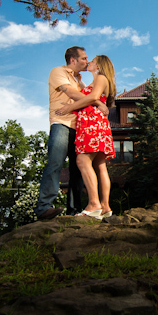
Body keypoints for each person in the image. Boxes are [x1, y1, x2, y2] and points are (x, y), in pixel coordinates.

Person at [35, 46, 107, 220]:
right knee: (55, 163)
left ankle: (74, 210)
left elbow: (87, 92)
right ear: (73, 60)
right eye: (83, 58)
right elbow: (72, 93)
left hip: (80, 128)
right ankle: (44, 207)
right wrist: (97, 102)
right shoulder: (58, 72)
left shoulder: (79, 79)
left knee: (78, 169)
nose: (87, 61)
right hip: (62, 123)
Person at [54, 55, 116, 218]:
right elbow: (90, 94)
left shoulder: (102, 78)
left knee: (82, 160)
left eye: (93, 61)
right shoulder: (98, 80)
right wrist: (79, 81)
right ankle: (105, 206)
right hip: (97, 123)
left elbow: (92, 97)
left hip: (92, 123)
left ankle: (94, 203)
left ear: (100, 66)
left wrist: (70, 108)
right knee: (100, 165)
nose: (90, 63)